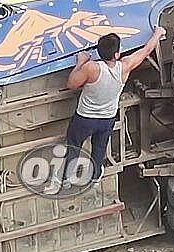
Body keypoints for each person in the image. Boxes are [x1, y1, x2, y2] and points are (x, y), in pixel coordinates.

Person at [62, 27, 166, 187]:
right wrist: (158, 33)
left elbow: (71, 84)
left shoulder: (92, 68)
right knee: (99, 148)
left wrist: (80, 62)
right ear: (117, 54)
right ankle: (95, 177)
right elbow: (147, 50)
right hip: (106, 119)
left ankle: (66, 178)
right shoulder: (124, 67)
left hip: (84, 118)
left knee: (74, 145)